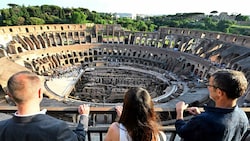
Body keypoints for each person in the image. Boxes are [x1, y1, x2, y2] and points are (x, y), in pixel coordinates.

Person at [0, 71, 90, 141]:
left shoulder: (2, 128)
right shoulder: (58, 128)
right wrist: (84, 117)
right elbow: (79, 139)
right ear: (40, 93)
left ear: (10, 96)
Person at [175, 69, 249, 141]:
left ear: (219, 92)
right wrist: (200, 115)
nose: (208, 87)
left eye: (210, 85)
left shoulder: (203, 120)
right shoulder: (242, 116)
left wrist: (179, 112)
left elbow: (182, 131)